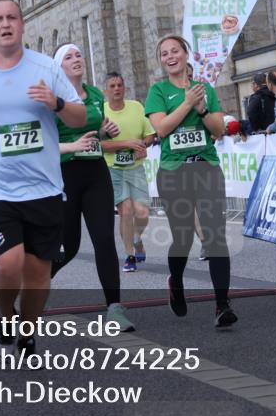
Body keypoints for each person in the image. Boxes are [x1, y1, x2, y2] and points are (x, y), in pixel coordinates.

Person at [0, 0, 86, 361]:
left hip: (42, 186)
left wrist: (55, 102)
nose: (5, 24)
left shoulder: (46, 68)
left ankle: (27, 331)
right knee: (8, 263)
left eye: (12, 18)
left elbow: (78, 116)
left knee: (39, 272)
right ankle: (6, 317)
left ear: (22, 25)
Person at [146, 34, 237, 328]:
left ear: (186, 55)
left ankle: (222, 305)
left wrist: (202, 109)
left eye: (175, 51)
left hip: (206, 167)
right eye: (164, 53)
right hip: (174, 171)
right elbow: (161, 128)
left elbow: (218, 130)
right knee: (183, 237)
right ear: (161, 60)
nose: (170, 56)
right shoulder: (158, 91)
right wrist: (187, 105)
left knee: (215, 238)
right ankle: (177, 281)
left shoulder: (205, 89)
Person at [51, 45, 134, 331]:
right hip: (65, 174)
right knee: (69, 246)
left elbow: (96, 132)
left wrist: (103, 133)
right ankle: (32, 286)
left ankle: (114, 307)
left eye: (78, 55)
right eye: (68, 57)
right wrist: (73, 146)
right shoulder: (54, 99)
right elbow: (45, 142)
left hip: (96, 172)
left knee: (104, 239)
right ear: (58, 67)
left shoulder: (96, 95)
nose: (76, 60)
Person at [101, 72, 156, 274]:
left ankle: (137, 239)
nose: (117, 89)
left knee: (141, 213)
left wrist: (142, 145)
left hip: (135, 167)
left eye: (120, 85)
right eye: (112, 86)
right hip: (113, 168)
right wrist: (125, 144)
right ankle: (129, 255)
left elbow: (149, 135)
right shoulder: (102, 112)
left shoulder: (136, 107)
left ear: (124, 88)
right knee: (125, 211)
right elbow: (100, 144)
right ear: (106, 90)